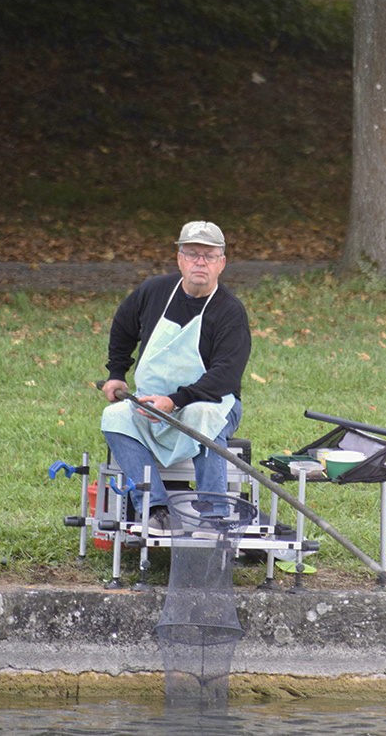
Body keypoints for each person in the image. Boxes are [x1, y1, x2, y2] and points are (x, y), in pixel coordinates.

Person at [100, 220, 251, 536]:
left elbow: (225, 376)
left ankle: (213, 514)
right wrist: (117, 373)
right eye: (193, 254)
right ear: (180, 258)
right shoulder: (154, 291)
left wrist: (175, 401)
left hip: (212, 402)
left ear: (221, 263)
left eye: (209, 256)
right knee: (114, 417)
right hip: (152, 402)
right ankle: (155, 510)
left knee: (201, 414)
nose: (200, 262)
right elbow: (123, 327)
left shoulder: (230, 312)